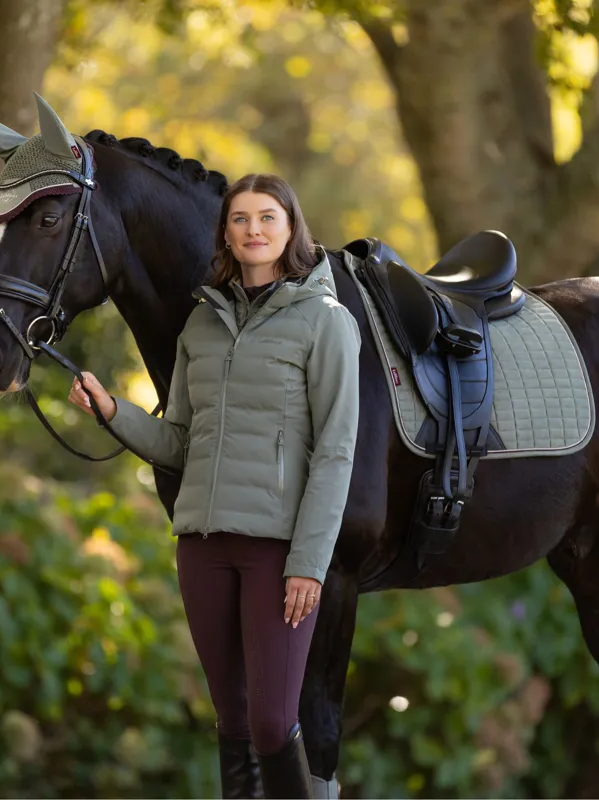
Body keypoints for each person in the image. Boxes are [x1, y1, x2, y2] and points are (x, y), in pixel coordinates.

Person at [68, 173, 361, 799]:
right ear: (224, 232)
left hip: (277, 554)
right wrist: (112, 412)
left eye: (267, 218)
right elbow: (177, 440)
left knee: (271, 722)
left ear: (290, 230)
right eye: (240, 219)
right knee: (230, 719)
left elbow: (337, 453)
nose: (253, 229)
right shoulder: (201, 324)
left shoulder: (326, 322)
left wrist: (309, 563)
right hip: (200, 545)